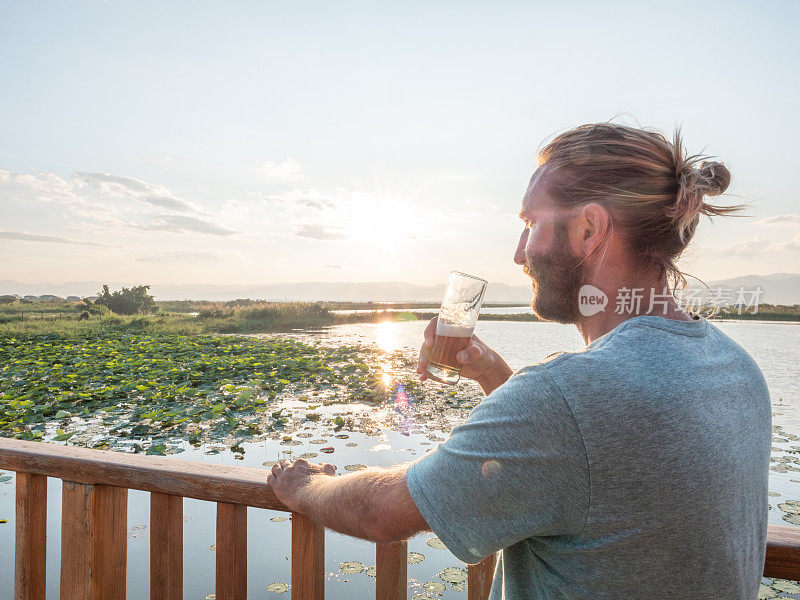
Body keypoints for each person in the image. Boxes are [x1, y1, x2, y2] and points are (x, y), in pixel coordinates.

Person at [268, 122, 771, 599]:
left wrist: (305, 484)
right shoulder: (736, 369)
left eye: (530, 222)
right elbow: (589, 460)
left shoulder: (567, 397)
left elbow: (381, 512)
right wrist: (491, 372)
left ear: (590, 230)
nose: (518, 252)